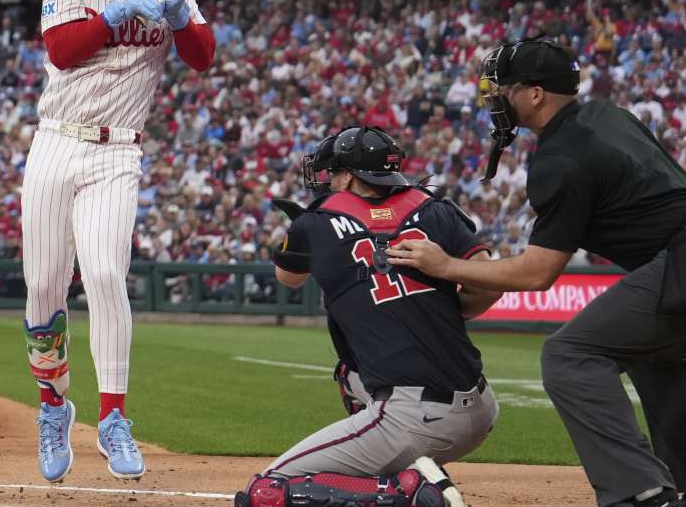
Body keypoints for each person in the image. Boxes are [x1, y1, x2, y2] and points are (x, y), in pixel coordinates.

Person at [389, 39, 686, 507]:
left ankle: (642, 495)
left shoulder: (561, 156)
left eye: (505, 89)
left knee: (569, 355)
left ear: (535, 94)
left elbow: (537, 273)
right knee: (655, 353)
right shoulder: (608, 116)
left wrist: (444, 265)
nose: (497, 99)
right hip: (671, 260)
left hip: (678, 260)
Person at [23, 0, 216, 483]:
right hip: (56, 142)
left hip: (117, 152)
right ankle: (54, 405)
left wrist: (182, 17)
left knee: (106, 275)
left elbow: (203, 58)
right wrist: (117, 12)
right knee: (44, 286)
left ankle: (113, 417)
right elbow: (61, 49)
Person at [237, 127, 502, 507]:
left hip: (414, 418)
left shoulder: (316, 222)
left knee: (265, 493)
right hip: (481, 406)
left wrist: (306, 231)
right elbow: (490, 285)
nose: (328, 180)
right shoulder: (435, 208)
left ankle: (406, 491)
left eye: (333, 172)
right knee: (351, 373)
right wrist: (439, 312)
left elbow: (288, 278)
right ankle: (404, 467)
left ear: (348, 177)